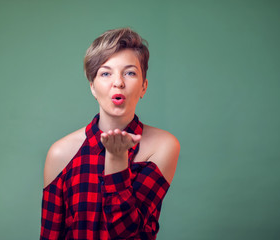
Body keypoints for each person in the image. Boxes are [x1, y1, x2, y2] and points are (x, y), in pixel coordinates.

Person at [40, 28, 180, 240]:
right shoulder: (61, 153)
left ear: (144, 87)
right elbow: (50, 235)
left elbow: (124, 232)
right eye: (105, 73)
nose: (118, 82)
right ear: (93, 88)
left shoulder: (163, 145)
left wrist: (116, 159)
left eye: (130, 73)